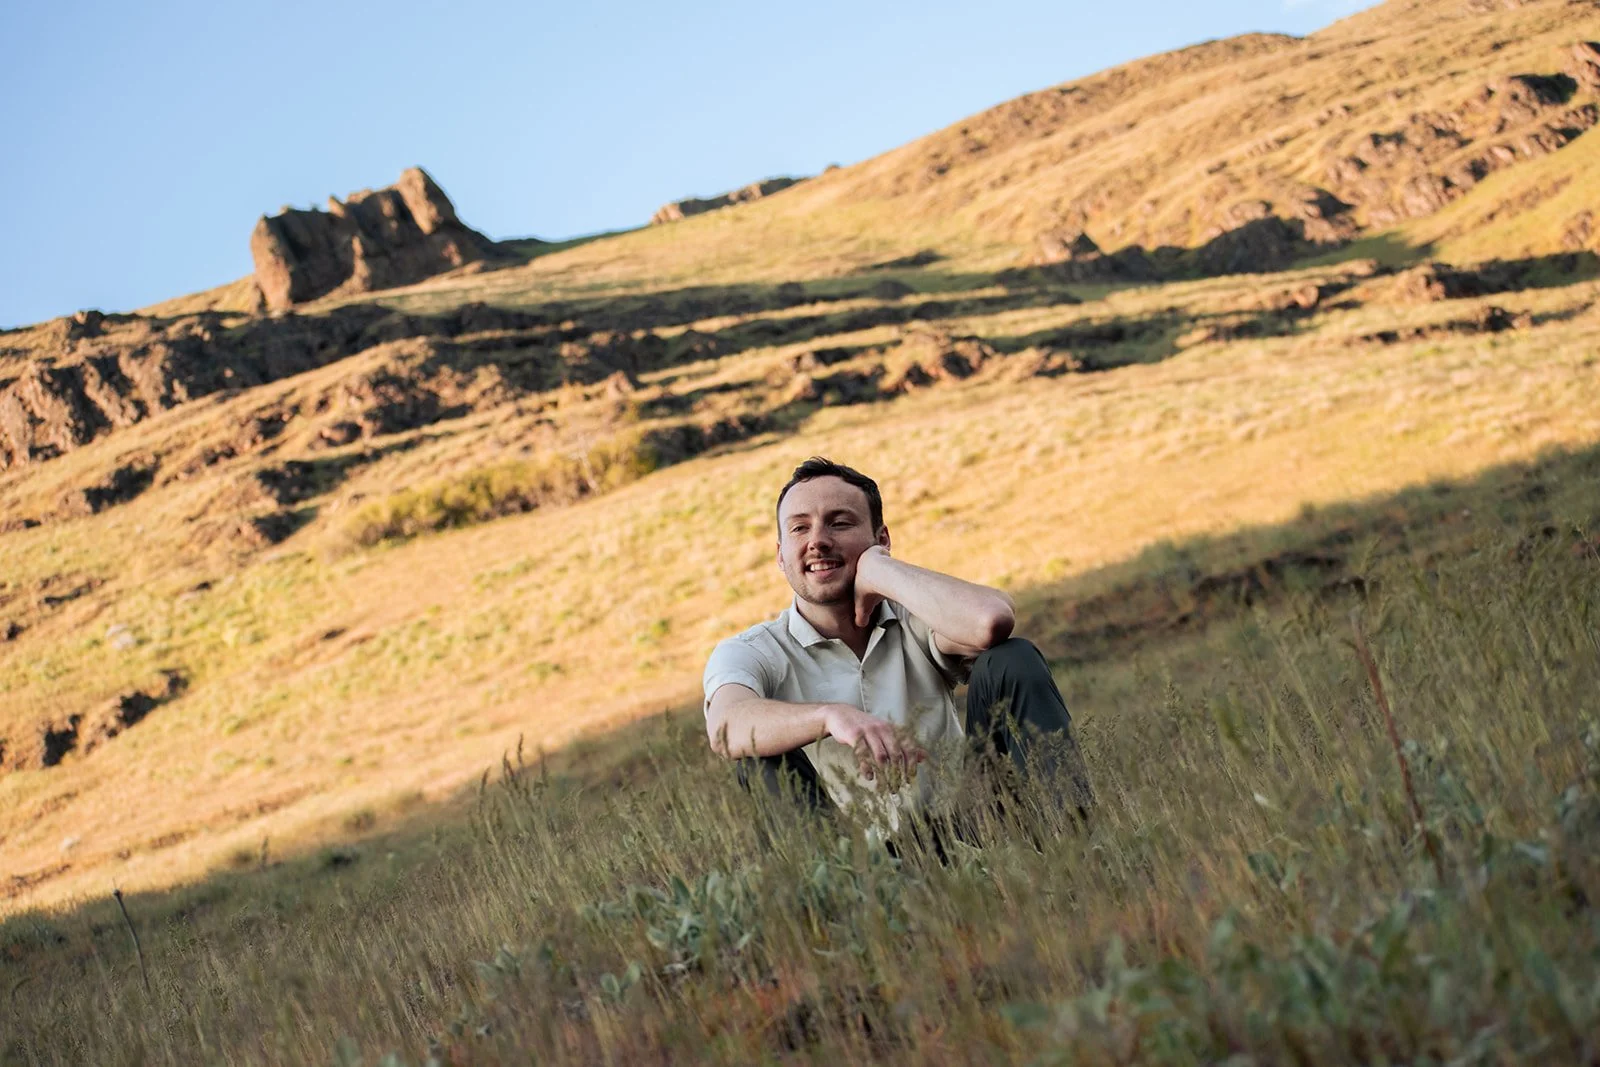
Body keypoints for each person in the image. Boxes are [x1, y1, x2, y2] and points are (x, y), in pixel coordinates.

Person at [702, 456, 1092, 844]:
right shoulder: (753, 651)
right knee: (756, 755)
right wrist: (829, 717)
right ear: (780, 555)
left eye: (840, 523)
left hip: (974, 831)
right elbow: (725, 727)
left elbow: (990, 621)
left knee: (1012, 659)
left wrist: (880, 572)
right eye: (799, 528)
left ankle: (1082, 854)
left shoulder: (914, 615)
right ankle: (838, 900)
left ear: (881, 538)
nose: (817, 541)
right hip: (862, 867)